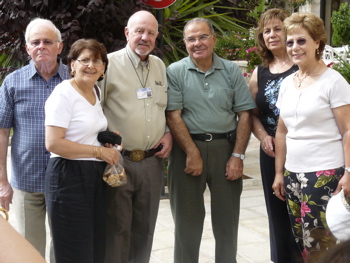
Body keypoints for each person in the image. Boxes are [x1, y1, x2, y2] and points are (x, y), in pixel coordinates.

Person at [166, 17, 256, 263]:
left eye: (203, 36)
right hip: (185, 151)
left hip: (225, 150)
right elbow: (173, 115)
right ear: (184, 43)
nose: (198, 43)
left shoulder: (230, 70)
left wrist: (237, 156)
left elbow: (245, 113)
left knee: (227, 223)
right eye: (191, 38)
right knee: (186, 223)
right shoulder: (174, 71)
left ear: (214, 39)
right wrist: (192, 153)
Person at [272, 12, 350, 263]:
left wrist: (349, 172)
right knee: (302, 243)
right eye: (290, 42)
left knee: (323, 243)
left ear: (318, 42)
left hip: (325, 174)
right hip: (293, 174)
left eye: (301, 41)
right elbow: (282, 131)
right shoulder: (287, 83)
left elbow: (348, 130)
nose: (294, 47)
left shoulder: (333, 81)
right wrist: (278, 173)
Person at [99, 10, 172, 263]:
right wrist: (105, 138)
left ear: (156, 37)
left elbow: (165, 108)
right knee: (118, 229)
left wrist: (168, 133)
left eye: (151, 32)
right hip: (119, 162)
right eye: (139, 31)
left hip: (152, 162)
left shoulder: (160, 66)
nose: (145, 37)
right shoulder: (107, 64)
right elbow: (94, 108)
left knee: (145, 229)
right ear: (127, 32)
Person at [0, 18, 69, 262]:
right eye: (35, 42)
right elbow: (2, 132)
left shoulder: (74, 80)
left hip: (66, 179)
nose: (41, 46)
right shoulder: (13, 82)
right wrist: (2, 182)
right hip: (26, 180)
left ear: (59, 47)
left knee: (64, 247)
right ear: (27, 48)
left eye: (47, 41)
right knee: (29, 249)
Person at [44, 38, 120, 263]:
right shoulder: (63, 93)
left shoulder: (94, 91)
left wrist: (107, 140)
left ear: (104, 67)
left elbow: (83, 131)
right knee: (74, 251)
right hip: (68, 177)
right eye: (84, 60)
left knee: (95, 246)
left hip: (93, 177)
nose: (91, 65)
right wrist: (99, 153)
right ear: (72, 64)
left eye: (97, 61)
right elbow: (53, 143)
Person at [249, 8, 300, 263]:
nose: (272, 34)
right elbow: (251, 113)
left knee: (300, 211)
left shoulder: (303, 65)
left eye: (278, 28)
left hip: (300, 149)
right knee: (277, 212)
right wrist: (262, 136)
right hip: (270, 150)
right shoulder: (260, 72)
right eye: (267, 30)